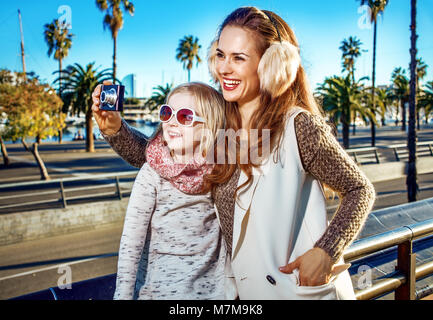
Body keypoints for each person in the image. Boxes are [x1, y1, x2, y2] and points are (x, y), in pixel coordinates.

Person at [92, 7, 375, 300]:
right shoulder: (220, 126)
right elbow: (162, 160)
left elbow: (359, 189)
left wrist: (326, 251)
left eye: (239, 58)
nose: (224, 68)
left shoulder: (298, 126)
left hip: (296, 291)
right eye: (221, 55)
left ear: (272, 65)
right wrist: (114, 128)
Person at [93, 82, 233, 300]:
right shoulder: (152, 173)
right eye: (167, 113)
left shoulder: (220, 172)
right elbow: (131, 242)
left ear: (210, 127)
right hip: (156, 294)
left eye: (185, 116)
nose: (171, 123)